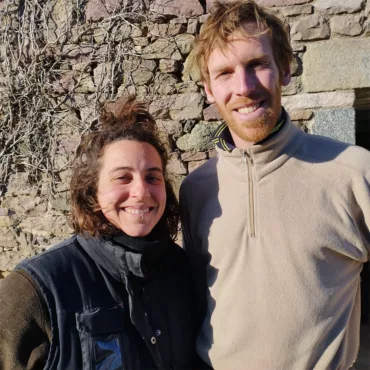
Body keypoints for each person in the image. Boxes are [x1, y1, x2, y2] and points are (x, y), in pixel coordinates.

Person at [179, 1, 370, 369]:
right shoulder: (196, 190)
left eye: (257, 65)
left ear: (283, 69)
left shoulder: (353, 172)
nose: (244, 87)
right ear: (208, 90)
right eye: (224, 73)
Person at [0, 97, 200, 369]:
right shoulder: (34, 290)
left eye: (153, 177)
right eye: (123, 177)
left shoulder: (181, 270)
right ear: (92, 191)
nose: (141, 192)